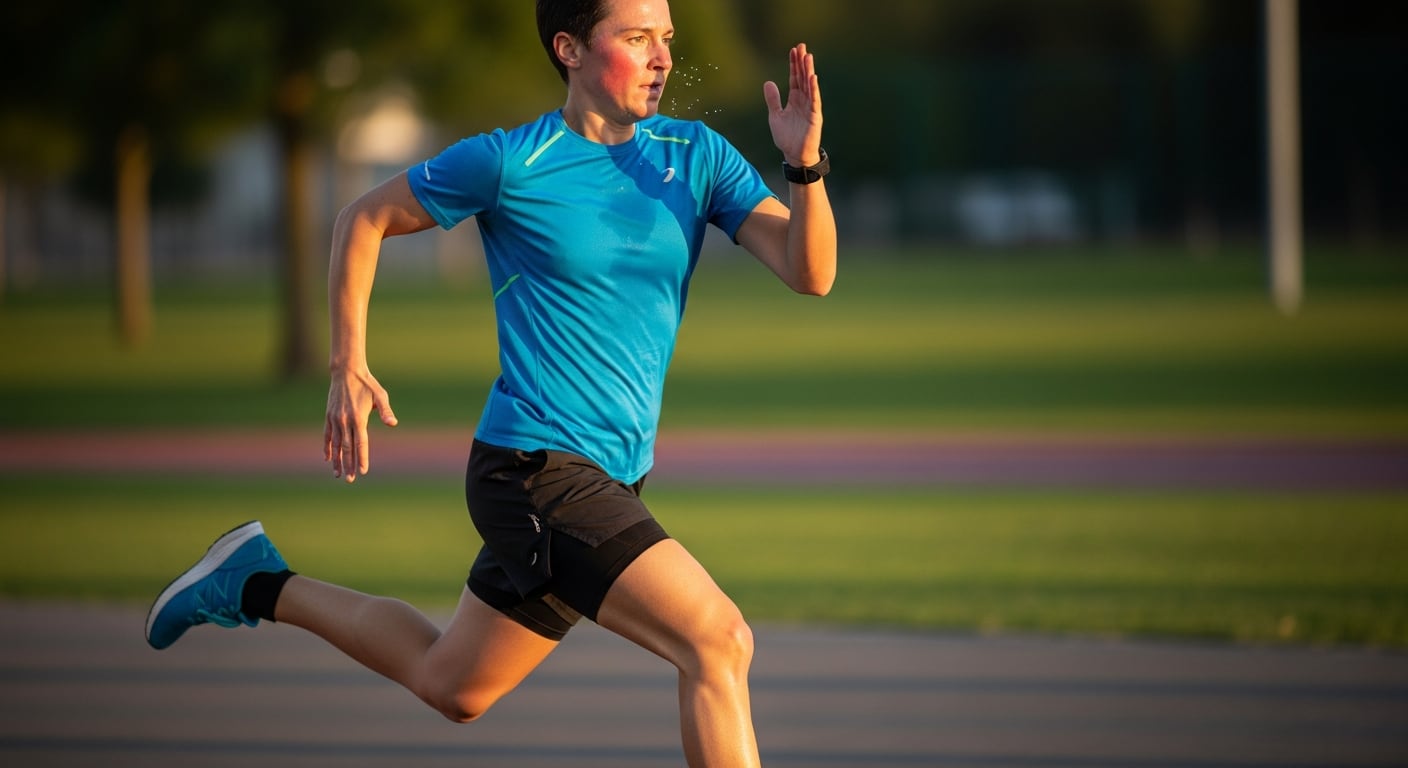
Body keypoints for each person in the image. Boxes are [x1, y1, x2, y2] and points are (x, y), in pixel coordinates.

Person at [145, 0, 836, 764]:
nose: (661, 58)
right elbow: (364, 218)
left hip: (611, 477)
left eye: (665, 39)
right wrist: (348, 362)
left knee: (454, 684)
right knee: (718, 642)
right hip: (536, 472)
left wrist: (804, 165)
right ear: (569, 48)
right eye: (636, 38)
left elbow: (811, 272)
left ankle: (252, 582)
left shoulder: (695, 154)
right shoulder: (512, 162)